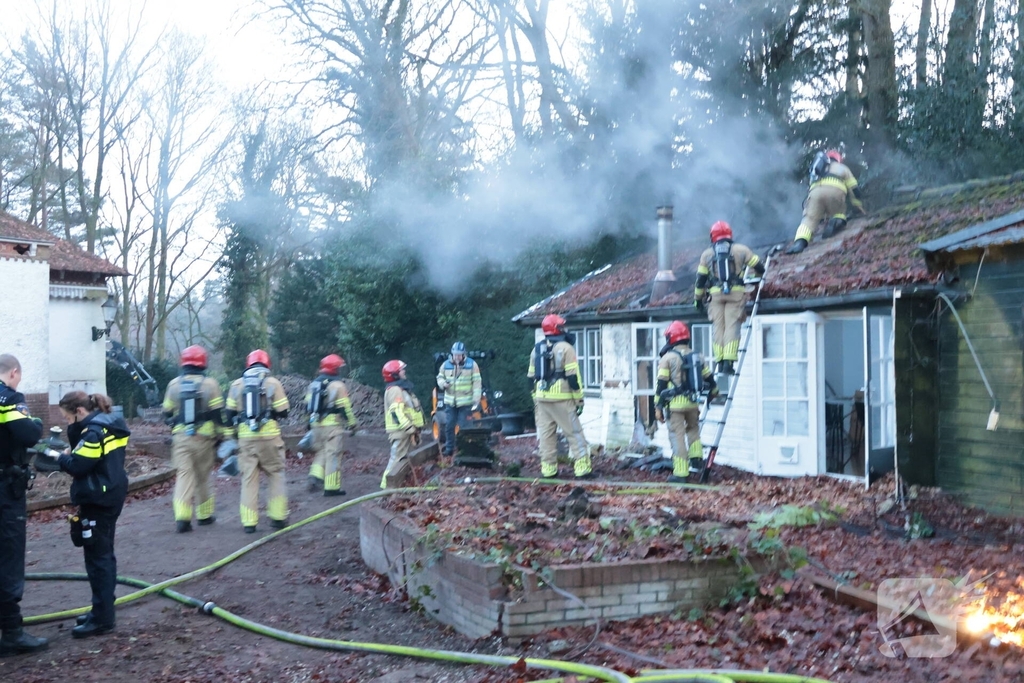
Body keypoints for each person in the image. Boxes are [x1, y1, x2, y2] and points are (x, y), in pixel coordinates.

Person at [51, 391, 130, 639]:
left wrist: (59, 458)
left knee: (99, 560)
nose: (67, 423)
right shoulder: (107, 423)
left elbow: (77, 465)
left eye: (67, 418)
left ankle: (103, 619)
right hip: (109, 493)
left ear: (80, 412)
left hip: (99, 498)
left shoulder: (94, 432)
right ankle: (101, 610)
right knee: (101, 555)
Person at [0, 354, 48, 656]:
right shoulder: (8, 398)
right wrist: (35, 421)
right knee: (9, 556)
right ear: (14, 373)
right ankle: (12, 633)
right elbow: (31, 434)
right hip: (5, 489)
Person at [162, 345, 226, 533]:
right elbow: (217, 415)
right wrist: (222, 435)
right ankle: (204, 516)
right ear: (203, 363)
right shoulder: (211, 384)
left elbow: (166, 413)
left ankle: (182, 518)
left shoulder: (173, 385)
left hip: (181, 438)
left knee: (184, 475)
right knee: (203, 477)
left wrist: (175, 422)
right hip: (204, 439)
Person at [225, 350, 290, 533]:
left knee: (248, 480)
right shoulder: (273, 383)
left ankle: (249, 523)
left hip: (246, 439)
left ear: (248, 364)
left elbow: (229, 415)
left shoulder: (236, 385)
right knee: (275, 475)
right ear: (266, 364)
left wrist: (232, 436)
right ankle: (278, 518)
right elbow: (284, 411)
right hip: (270, 439)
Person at [694, 221, 764, 375]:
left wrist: (698, 299)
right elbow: (759, 266)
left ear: (713, 236)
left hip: (715, 296)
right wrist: (757, 278)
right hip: (736, 293)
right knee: (732, 325)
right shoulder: (741, 250)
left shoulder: (706, 255)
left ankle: (719, 362)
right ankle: (728, 364)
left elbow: (700, 280)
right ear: (729, 234)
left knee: (718, 327)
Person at [528, 314, 591, 479]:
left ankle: (548, 470)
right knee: (574, 433)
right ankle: (582, 468)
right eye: (562, 326)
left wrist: (535, 397)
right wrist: (579, 400)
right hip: (562, 399)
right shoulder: (566, 348)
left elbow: (530, 378)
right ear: (556, 328)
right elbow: (573, 378)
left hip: (542, 399)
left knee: (546, 436)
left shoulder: (537, 349)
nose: (565, 329)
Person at [655, 322, 717, 482]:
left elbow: (661, 385)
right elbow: (709, 378)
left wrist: (658, 406)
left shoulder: (667, 358)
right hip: (693, 403)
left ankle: (681, 473)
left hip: (675, 405)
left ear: (671, 337)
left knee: (677, 436)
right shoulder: (698, 356)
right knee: (693, 430)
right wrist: (714, 392)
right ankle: (696, 459)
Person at [786, 148, 864, 254]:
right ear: (838, 159)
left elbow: (811, 187)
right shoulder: (842, 168)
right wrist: (857, 206)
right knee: (839, 212)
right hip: (835, 192)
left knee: (809, 219)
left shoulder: (817, 170)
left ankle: (799, 243)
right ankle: (836, 221)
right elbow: (854, 189)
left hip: (815, 194)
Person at [305, 354, 358, 496]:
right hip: (332, 426)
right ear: (335, 369)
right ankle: (332, 487)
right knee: (333, 455)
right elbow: (344, 408)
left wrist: (309, 424)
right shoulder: (338, 386)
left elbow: (307, 406)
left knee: (321, 452)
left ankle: (314, 476)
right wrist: (352, 424)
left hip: (316, 425)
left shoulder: (313, 384)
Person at [381, 360, 424, 488]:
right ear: (394, 374)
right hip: (401, 431)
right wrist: (409, 427)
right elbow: (396, 412)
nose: (404, 371)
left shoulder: (400, 388)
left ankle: (396, 485)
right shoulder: (395, 390)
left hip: (405, 431)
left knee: (402, 459)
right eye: (401, 370)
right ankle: (386, 487)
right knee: (396, 459)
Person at [436, 341, 482, 457]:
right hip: (450, 402)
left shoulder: (472, 365)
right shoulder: (446, 365)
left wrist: (476, 400)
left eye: (459, 354)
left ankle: (463, 449)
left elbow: (477, 383)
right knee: (449, 425)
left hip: (465, 402)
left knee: (464, 426)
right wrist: (443, 384)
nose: (457, 356)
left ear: (463, 354)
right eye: (455, 354)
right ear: (452, 354)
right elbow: (439, 377)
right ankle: (449, 448)